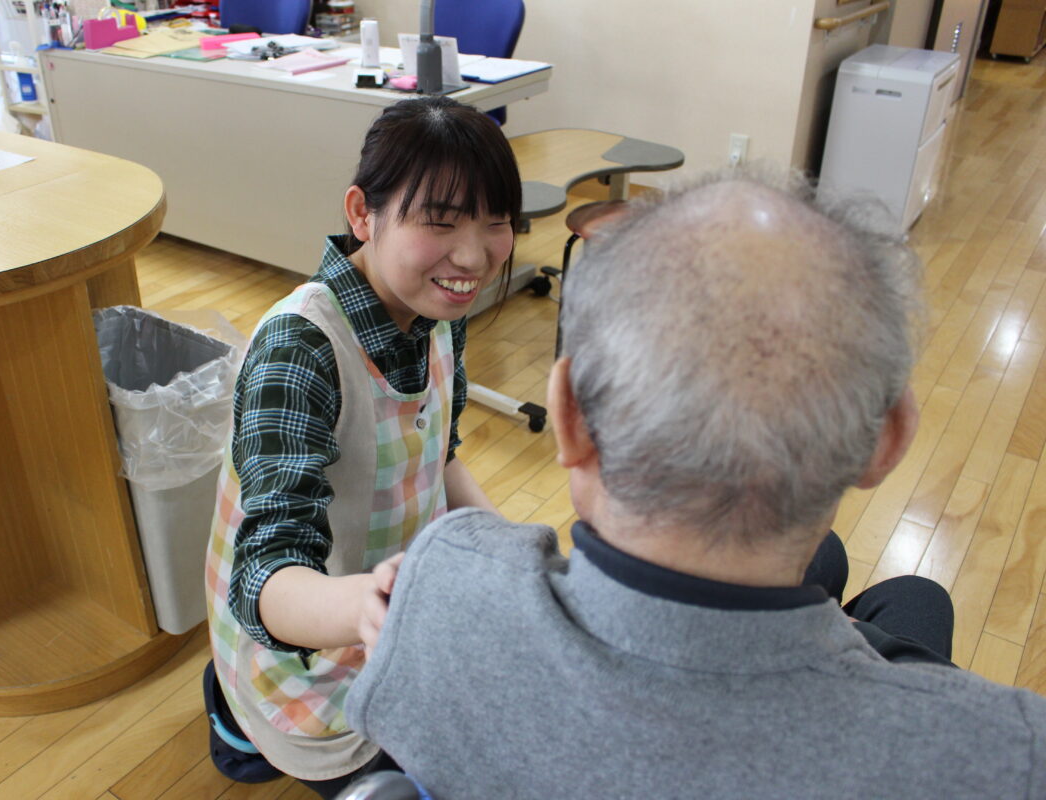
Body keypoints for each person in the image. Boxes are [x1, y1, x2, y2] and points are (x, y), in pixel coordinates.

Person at [345, 169, 1046, 798]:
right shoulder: (1004, 758)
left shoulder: (439, 587)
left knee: (831, 564)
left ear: (567, 417)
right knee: (912, 596)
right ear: (886, 441)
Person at [203, 95, 521, 797]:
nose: (473, 256)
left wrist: (509, 549)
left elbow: (439, 455)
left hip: (393, 599)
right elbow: (264, 584)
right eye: (439, 221)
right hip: (308, 643)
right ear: (361, 214)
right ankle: (235, 707)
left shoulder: (439, 310)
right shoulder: (300, 348)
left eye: (495, 222)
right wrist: (374, 608)